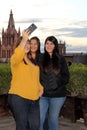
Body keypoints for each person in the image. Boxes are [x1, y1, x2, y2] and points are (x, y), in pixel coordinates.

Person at [8, 29, 43, 130]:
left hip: (34, 99)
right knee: (22, 126)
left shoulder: (32, 61)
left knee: (35, 126)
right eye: (25, 44)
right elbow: (18, 53)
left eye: (28, 43)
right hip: (19, 98)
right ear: (20, 45)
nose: (27, 45)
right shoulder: (16, 59)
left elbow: (35, 79)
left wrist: (41, 89)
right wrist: (23, 39)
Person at [39, 36, 70, 130]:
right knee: (40, 119)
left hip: (58, 96)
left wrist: (56, 83)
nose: (49, 45)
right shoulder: (40, 58)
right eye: (47, 43)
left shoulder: (61, 59)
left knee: (52, 120)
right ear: (44, 45)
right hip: (43, 96)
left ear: (55, 45)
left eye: (51, 43)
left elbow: (66, 77)